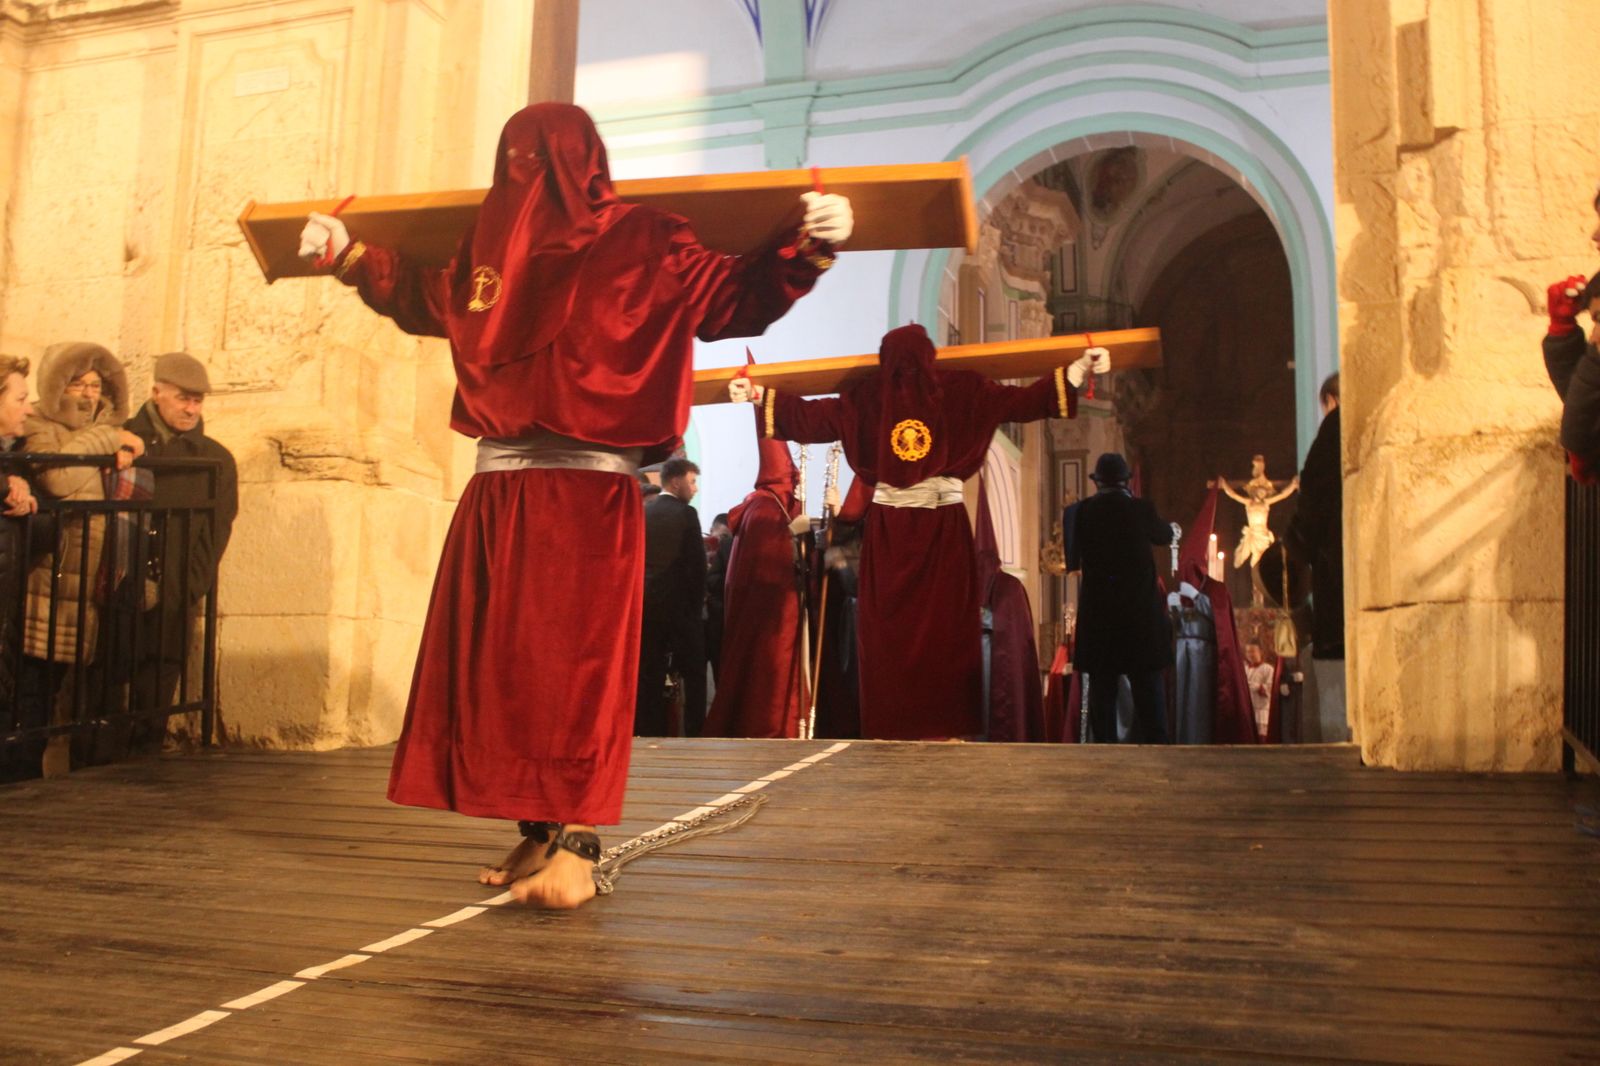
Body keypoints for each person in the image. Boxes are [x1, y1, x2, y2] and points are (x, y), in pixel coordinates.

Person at [298, 103, 848, 908]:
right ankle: (541, 824)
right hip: (497, 491)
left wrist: (808, 248)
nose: (526, 175)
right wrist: (350, 256)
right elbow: (430, 297)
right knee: (504, 672)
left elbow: (734, 297)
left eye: (535, 159)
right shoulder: (488, 248)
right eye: (514, 159)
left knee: (580, 671)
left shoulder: (649, 238)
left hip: (587, 494)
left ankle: (582, 847)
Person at [733, 323, 1103, 739]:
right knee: (947, 634)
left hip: (891, 536)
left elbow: (809, 418)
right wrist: (1074, 373)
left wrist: (760, 396)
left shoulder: (866, 398)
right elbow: (1024, 402)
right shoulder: (964, 390)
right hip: (944, 531)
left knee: (888, 637)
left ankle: (890, 726)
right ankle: (948, 728)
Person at [20, 343, 145, 776]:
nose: (89, 394)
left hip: (82, 588)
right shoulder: (39, 424)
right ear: (57, 385)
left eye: (96, 385)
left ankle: (36, 776)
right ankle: (22, 780)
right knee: (30, 690)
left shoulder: (97, 431)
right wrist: (109, 437)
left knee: (54, 692)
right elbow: (61, 478)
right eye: (78, 384)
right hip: (46, 580)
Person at [112, 352, 238, 741]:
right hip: (118, 585)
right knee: (102, 691)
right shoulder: (120, 439)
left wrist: (190, 586)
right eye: (183, 398)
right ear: (156, 393)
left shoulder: (215, 458)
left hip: (175, 590)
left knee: (157, 695)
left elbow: (218, 530)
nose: (191, 408)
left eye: (198, 400)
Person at [702, 424, 810, 738]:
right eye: (793, 479)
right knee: (768, 682)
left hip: (753, 613)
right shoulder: (768, 512)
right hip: (772, 617)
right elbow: (778, 571)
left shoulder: (756, 506)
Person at [1069, 452, 1174, 744]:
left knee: (1103, 698)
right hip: (1139, 619)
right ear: (1126, 481)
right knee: (1149, 697)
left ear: (1097, 482)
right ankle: (1160, 760)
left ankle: (1105, 762)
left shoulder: (1082, 512)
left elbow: (1072, 557)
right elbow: (1165, 535)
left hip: (1101, 620)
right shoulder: (1141, 509)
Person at [1286, 373, 1347, 742]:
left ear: (1331, 400)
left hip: (1339, 570)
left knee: (1338, 700)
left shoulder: (1335, 428)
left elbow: (1313, 497)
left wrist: (1296, 546)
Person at [637, 458, 708, 737]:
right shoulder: (686, 514)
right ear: (676, 481)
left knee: (650, 675)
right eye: (692, 482)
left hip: (648, 608)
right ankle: (695, 732)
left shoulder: (646, 514)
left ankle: (648, 730)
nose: (695, 489)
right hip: (681, 610)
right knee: (695, 674)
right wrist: (695, 608)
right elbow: (696, 566)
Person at [704, 512, 731, 682]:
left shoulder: (731, 551)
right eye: (720, 536)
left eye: (727, 537)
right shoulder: (699, 548)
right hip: (699, 621)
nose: (721, 541)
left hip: (719, 618)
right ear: (711, 531)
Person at [1244, 641, 1274, 742]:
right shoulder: (1245, 669)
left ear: (1260, 652)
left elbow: (1270, 688)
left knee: (1262, 740)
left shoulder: (1268, 669)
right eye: (1248, 652)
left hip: (1262, 710)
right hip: (1248, 710)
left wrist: (1256, 687)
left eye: (1253, 651)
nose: (1250, 654)